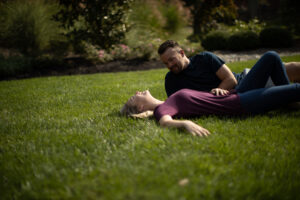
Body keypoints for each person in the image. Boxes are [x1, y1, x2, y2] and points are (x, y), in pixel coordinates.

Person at [121, 52, 300, 136]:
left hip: (236, 92)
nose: (137, 92)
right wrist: (185, 124)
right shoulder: (164, 108)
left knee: (271, 57)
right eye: (134, 97)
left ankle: (288, 103)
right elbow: (165, 122)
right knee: (296, 89)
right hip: (241, 103)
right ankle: (289, 99)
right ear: (141, 106)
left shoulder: (168, 102)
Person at [158, 40, 300, 97]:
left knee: (293, 69)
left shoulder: (205, 58)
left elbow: (231, 80)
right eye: (166, 63)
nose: (170, 65)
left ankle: (290, 100)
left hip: (244, 80)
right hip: (239, 95)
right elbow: (175, 102)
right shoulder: (171, 80)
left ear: (182, 53)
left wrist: (218, 91)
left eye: (172, 60)